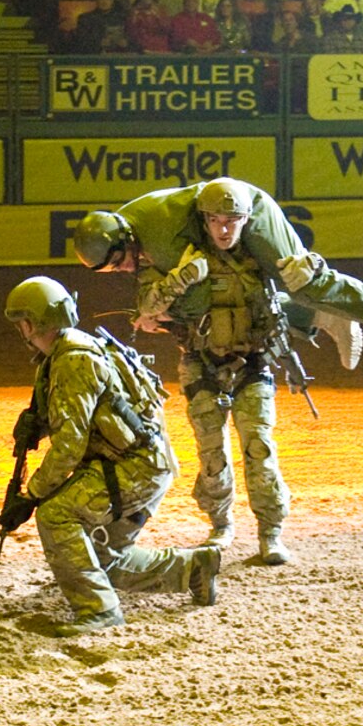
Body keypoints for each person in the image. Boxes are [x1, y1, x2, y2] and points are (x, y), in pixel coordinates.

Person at [0, 276, 220, 635]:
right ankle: (193, 569)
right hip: (142, 463)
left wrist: (31, 496)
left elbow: (69, 448)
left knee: (56, 515)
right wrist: (37, 425)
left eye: (21, 323)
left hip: (131, 468)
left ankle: (98, 612)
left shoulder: (71, 361)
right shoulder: (72, 350)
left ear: (31, 323)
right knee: (101, 557)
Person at [71, 177, 363, 369]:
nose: (126, 270)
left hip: (243, 214)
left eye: (122, 262)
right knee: (227, 295)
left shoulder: (161, 237)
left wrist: (159, 313)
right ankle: (319, 315)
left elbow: (196, 298)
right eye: (115, 269)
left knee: (303, 279)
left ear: (127, 241)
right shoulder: (129, 229)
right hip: (215, 226)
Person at [129, 183, 307, 563]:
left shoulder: (261, 257)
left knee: (259, 447)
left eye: (233, 221)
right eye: (215, 221)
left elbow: (299, 289)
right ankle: (220, 522)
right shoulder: (180, 256)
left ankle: (270, 530)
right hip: (202, 363)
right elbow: (146, 305)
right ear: (204, 221)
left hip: (252, 361)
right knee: (212, 454)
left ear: (246, 221)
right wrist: (182, 277)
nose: (224, 229)